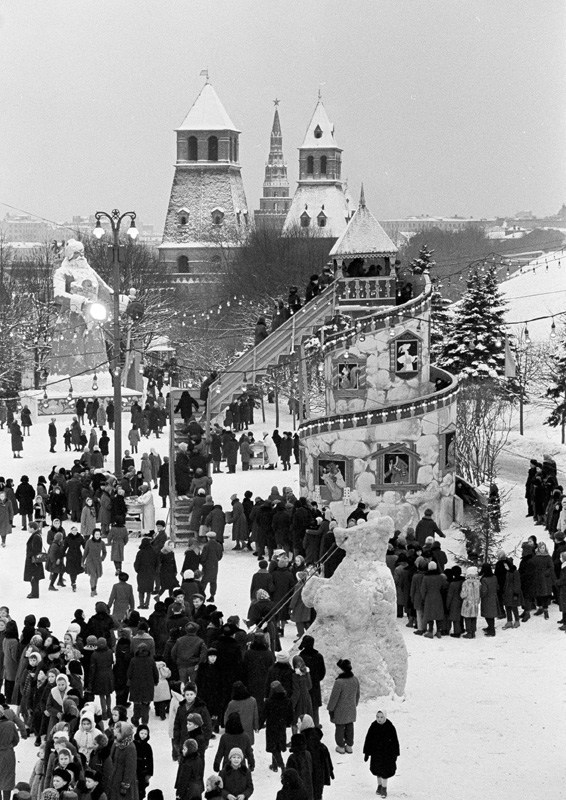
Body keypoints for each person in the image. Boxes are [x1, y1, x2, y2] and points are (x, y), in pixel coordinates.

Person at [362, 710, 400, 798]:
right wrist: (367, 752)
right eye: (377, 717)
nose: (379, 719)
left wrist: (395, 753)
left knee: (385, 772)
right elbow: (368, 739)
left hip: (387, 754)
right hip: (376, 753)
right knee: (378, 771)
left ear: (385, 717)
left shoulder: (390, 727)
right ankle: (379, 785)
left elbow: (395, 741)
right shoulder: (373, 726)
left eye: (381, 717)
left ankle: (384, 787)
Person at [326, 659, 360, 754]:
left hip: (340, 710)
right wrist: (354, 705)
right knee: (350, 725)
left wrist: (330, 709)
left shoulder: (339, 682)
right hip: (351, 708)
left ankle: (340, 746)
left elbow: (334, 698)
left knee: (340, 727)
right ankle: (349, 746)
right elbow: (357, 695)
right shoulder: (355, 679)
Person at [108, 722, 137, 800]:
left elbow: (130, 768)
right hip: (114, 778)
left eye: (118, 732)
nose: (115, 734)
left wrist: (125, 784)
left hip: (122, 780)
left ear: (124, 733)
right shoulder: (117, 743)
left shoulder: (130, 747)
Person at [83, 529, 107, 597]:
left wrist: (102, 558)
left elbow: (104, 552)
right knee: (93, 575)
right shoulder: (89, 542)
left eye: (98, 534)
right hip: (90, 560)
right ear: (93, 535)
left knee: (97, 575)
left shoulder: (102, 543)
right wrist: (82, 561)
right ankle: (92, 590)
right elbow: (85, 552)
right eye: (96, 534)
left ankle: (95, 587)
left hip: (98, 561)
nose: (97, 536)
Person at [24, 521, 45, 599]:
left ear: (33, 528)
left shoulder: (35, 536)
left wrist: (30, 557)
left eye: (29, 527)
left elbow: (35, 549)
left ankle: (35, 593)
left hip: (33, 560)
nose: (28, 529)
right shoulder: (36, 535)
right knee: (33, 577)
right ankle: (33, 592)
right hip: (33, 560)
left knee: (34, 577)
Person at [460, 566, 481, 639]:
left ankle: (469, 632)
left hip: (467, 603)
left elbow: (463, 594)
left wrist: (462, 596)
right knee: (474, 617)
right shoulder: (478, 583)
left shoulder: (465, 583)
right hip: (475, 602)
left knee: (467, 617)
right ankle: (473, 632)